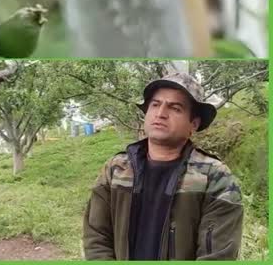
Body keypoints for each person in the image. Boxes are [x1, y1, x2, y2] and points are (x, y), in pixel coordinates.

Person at [82, 72, 243, 260]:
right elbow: (96, 237)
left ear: (193, 124)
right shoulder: (116, 169)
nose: (160, 113)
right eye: (155, 104)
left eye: (175, 108)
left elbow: (219, 255)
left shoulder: (214, 177)